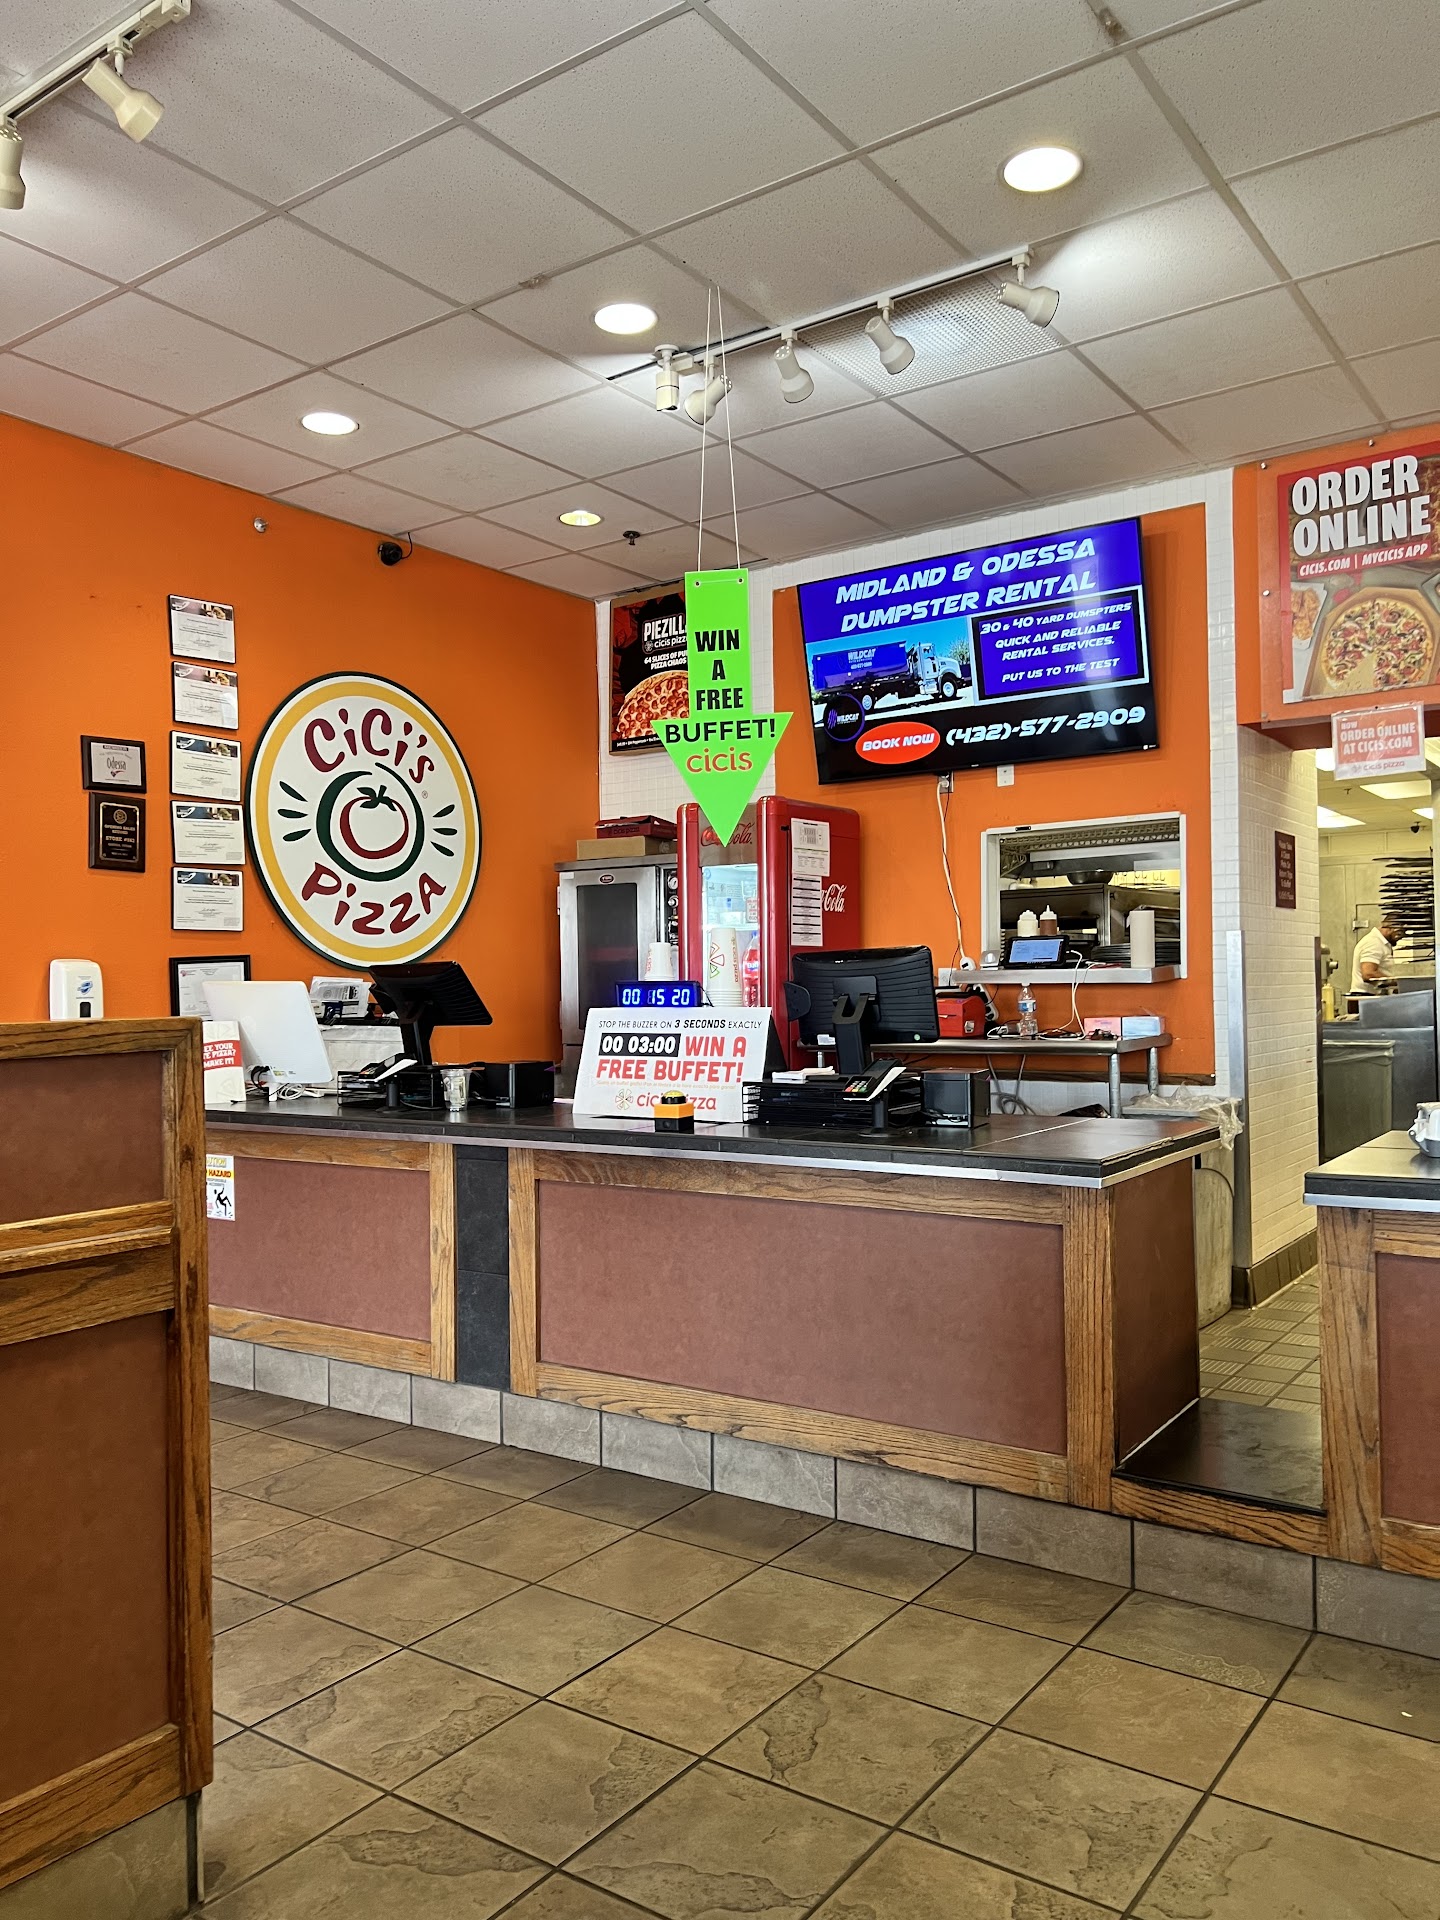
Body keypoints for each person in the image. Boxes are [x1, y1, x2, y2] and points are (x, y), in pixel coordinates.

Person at [1350, 912, 1404, 993]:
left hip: (1373, 996)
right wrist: (1396, 983)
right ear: (1391, 928)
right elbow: (1369, 974)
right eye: (1399, 933)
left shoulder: (1382, 943)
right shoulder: (1374, 943)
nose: (1401, 937)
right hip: (1365, 997)